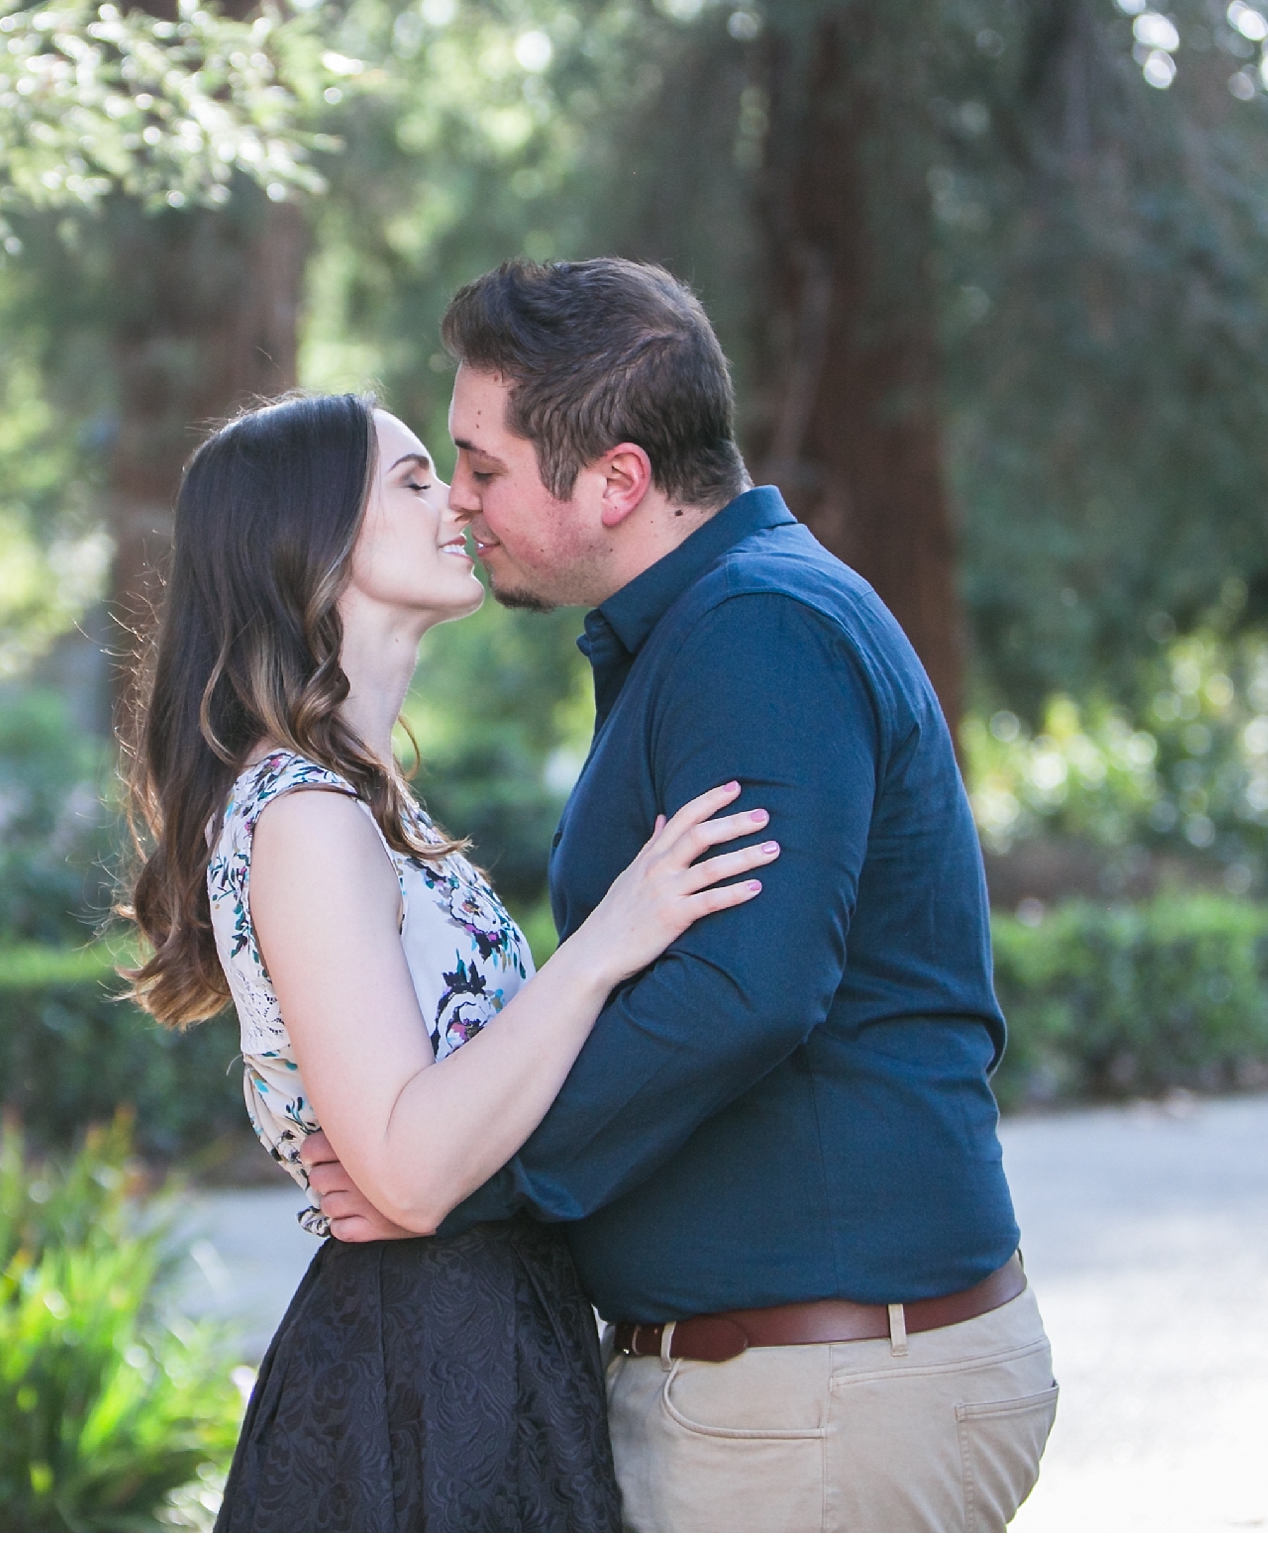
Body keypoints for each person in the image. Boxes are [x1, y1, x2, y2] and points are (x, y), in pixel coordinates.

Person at [302, 256, 1060, 1532]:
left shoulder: (760, 630)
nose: (464, 505)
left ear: (617, 481)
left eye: (482, 467)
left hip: (812, 1402)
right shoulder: (707, 628)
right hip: (779, 1390)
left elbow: (740, 990)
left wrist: (447, 1179)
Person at [114, 390, 774, 1531]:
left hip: (474, 1343)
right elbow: (410, 1172)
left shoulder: (356, 801)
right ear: (311, 539)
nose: (459, 500)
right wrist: (605, 945)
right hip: (414, 1380)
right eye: (416, 479)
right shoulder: (308, 815)